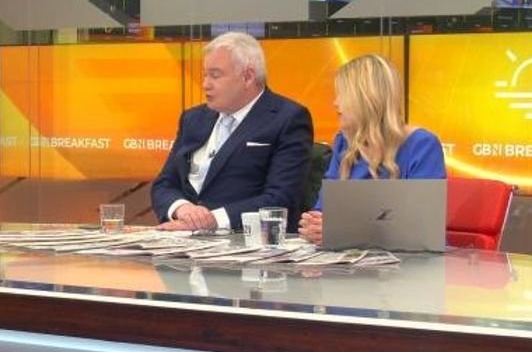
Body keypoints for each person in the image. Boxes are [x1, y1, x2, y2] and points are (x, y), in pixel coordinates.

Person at [151, 32, 313, 232]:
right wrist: (182, 208)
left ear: (248, 77)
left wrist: (212, 220)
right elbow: (164, 184)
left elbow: (280, 198)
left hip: (244, 239)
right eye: (205, 75)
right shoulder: (193, 119)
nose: (205, 84)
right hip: (181, 235)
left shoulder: (288, 118)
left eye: (215, 75)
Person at [298, 54, 446, 245]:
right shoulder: (344, 143)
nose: (336, 103)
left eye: (342, 95)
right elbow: (323, 210)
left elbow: (422, 226)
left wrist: (344, 230)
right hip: (350, 257)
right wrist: (314, 226)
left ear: (365, 99)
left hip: (411, 259)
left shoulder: (422, 145)